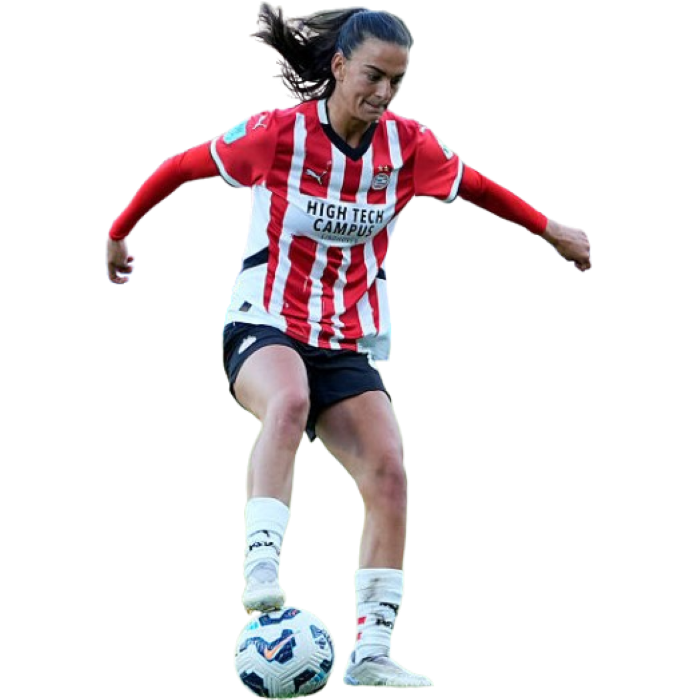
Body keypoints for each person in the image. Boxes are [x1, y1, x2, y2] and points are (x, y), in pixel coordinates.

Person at [105, 3, 592, 689]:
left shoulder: (409, 147)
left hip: (345, 338)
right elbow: (180, 167)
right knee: (289, 400)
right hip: (265, 321)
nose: (385, 93)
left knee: (389, 470)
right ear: (338, 66)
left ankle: (371, 653)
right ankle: (261, 566)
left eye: (397, 81)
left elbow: (480, 189)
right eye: (373, 76)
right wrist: (118, 233)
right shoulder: (275, 135)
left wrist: (551, 230)